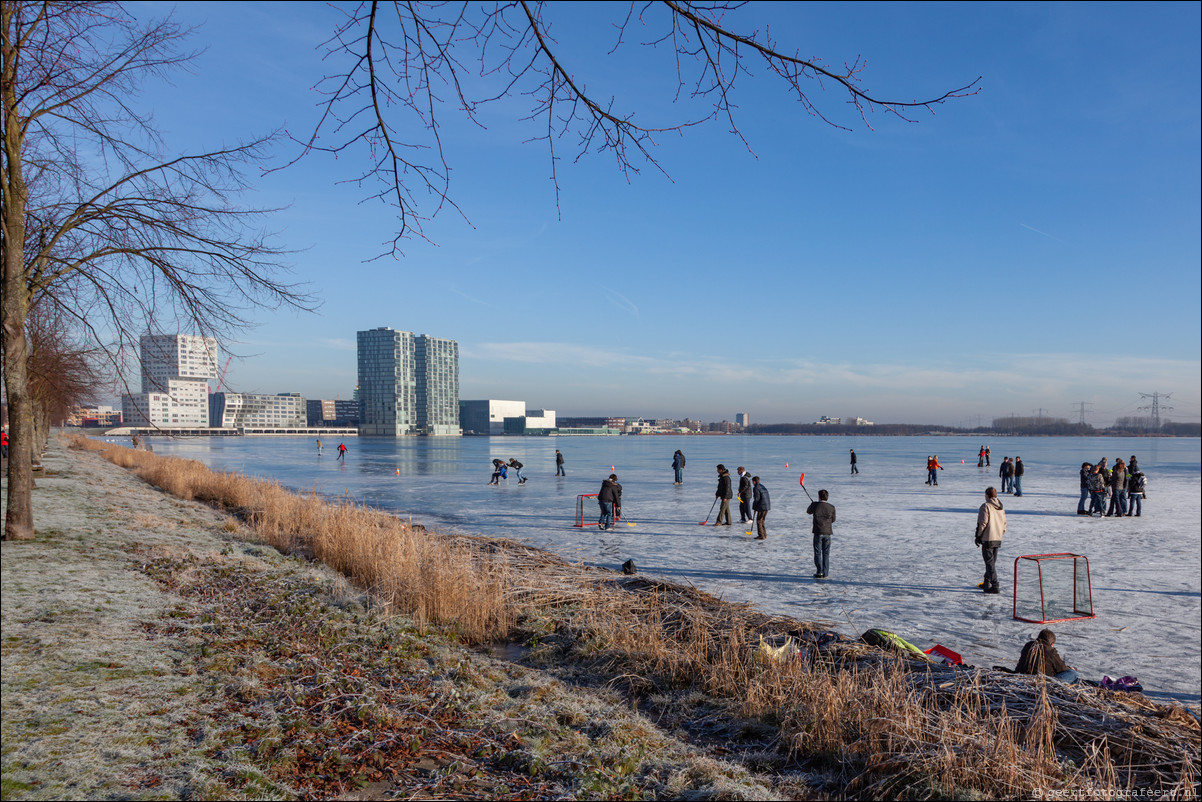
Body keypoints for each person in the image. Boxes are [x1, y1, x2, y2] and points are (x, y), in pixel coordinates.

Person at [974, 486, 1006, 594]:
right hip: (997, 538)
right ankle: (986, 582)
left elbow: (982, 523)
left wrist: (978, 536)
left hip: (988, 538)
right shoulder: (1000, 507)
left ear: (987, 495)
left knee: (989, 563)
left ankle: (995, 586)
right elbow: (1004, 523)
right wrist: (1000, 533)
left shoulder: (986, 506)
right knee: (991, 563)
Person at [806, 489, 836, 578]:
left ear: (819, 496)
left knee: (818, 552)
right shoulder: (831, 507)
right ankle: (825, 572)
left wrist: (813, 504)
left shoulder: (815, 505)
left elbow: (808, 511)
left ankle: (820, 571)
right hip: (827, 533)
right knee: (826, 553)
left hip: (818, 532)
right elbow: (833, 520)